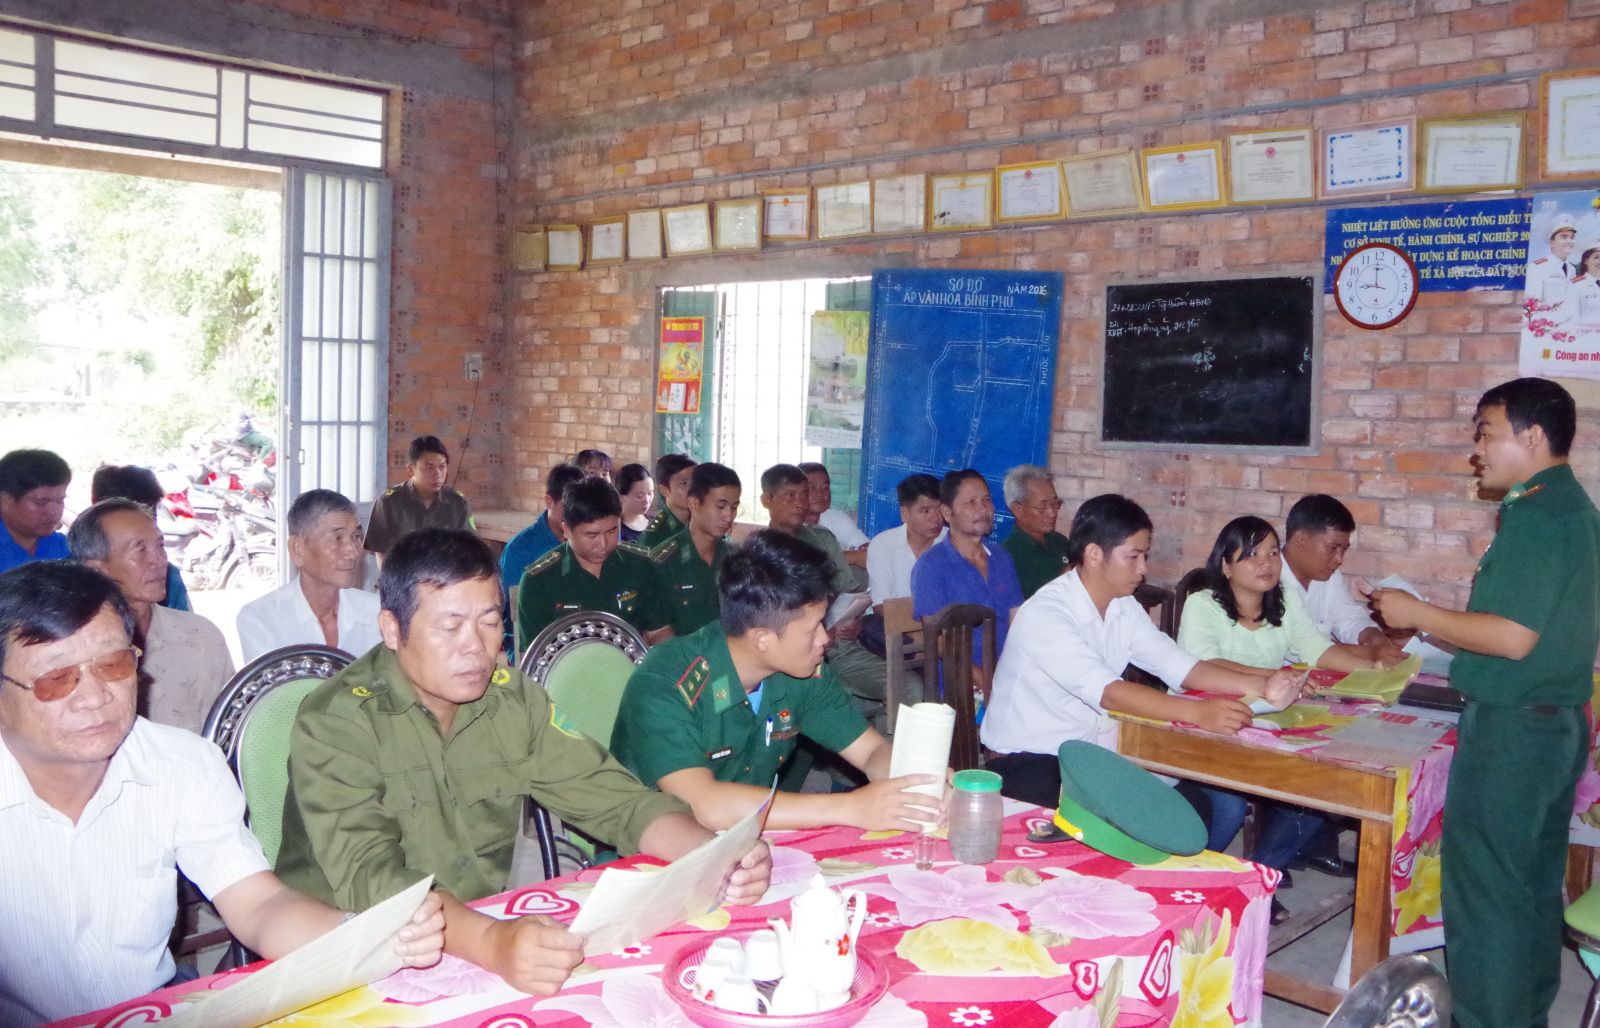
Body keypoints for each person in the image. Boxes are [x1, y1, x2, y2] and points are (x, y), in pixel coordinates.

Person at [276, 529, 770, 997]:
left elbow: (615, 800)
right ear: (392, 628)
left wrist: (715, 856)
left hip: (474, 934)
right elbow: (372, 879)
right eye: (450, 626)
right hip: (346, 955)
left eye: (490, 622)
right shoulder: (337, 722)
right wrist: (491, 942)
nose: (476, 646)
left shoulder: (512, 703)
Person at [0, 560, 444, 1024]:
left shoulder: (180, 765)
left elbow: (258, 904)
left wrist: (363, 934)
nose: (95, 697)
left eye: (113, 665)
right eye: (56, 679)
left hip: (148, 1014)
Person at [1369, 378, 1600, 1028]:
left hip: (1514, 735)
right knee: (1527, 891)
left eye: (1486, 432)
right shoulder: (1573, 510)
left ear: (1532, 436)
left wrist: (1417, 613)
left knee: (1487, 901)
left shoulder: (1538, 517)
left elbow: (1512, 637)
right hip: (1552, 726)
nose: (1477, 449)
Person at [981, 494, 1303, 813]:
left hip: (1090, 751)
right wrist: (1197, 713)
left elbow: (1179, 665)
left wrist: (1262, 686)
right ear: (1094, 554)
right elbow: (1109, 693)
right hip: (1028, 759)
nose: (1143, 568)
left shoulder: (1123, 606)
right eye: (1133, 556)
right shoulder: (1048, 613)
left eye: (1145, 555)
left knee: (1214, 805)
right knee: (1164, 814)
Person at [612, 530, 940, 831]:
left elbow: (871, 751)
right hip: (654, 852)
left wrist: (921, 784)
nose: (825, 639)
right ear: (763, 639)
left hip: (750, 839)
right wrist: (849, 807)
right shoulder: (665, 681)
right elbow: (702, 804)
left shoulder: (803, 673)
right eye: (812, 629)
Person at [1177, 515, 1389, 913]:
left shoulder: (1286, 600)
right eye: (1252, 555)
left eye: (1273, 553)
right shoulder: (1202, 604)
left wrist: (1378, 668)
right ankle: (1197, 882)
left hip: (1269, 721)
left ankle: (1257, 877)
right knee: (1228, 805)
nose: (1266, 564)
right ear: (1226, 564)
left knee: (1328, 778)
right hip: (1210, 723)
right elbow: (1203, 664)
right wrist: (1272, 678)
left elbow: (1317, 650)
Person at [69, 499, 234, 734]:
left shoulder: (201, 636)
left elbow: (228, 730)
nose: (159, 561)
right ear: (97, 569)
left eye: (160, 546)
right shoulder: (72, 649)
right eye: (140, 550)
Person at [762, 464, 905, 712]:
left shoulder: (823, 538)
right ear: (767, 500)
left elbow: (845, 595)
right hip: (786, 652)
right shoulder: (759, 550)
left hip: (839, 647)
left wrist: (850, 623)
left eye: (804, 495)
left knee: (906, 687)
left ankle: (885, 737)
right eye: (790, 496)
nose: (800, 503)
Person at [516, 477, 672, 645]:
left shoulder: (640, 566)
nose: (603, 544)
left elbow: (659, 631)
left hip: (632, 660)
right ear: (566, 530)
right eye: (591, 535)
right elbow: (536, 654)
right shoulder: (539, 581)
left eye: (612, 531)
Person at [236, 489, 382, 661]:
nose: (354, 552)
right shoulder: (261, 619)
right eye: (337, 538)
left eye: (356, 536)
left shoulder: (377, 613)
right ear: (298, 549)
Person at [910, 469, 1024, 685]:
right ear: (947, 513)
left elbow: (1018, 623)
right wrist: (987, 683)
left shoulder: (1002, 558)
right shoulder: (931, 566)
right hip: (959, 687)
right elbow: (939, 642)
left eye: (987, 500)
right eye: (971, 502)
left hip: (1005, 677)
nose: (983, 509)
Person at [1281, 494, 1406, 660]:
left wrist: (1373, 637)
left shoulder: (1327, 574)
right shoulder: (1267, 578)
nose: (1339, 559)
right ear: (1300, 540)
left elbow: (1347, 618)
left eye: (1344, 550)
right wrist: (1370, 653)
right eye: (1332, 548)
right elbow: (1296, 646)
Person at [651, 462, 740, 637]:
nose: (728, 515)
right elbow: (656, 631)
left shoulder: (737, 560)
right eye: (720, 506)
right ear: (694, 503)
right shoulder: (663, 561)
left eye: (734, 507)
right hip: (681, 653)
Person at [89, 463, 191, 612]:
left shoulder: (168, 577)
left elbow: (184, 622)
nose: (157, 562)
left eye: (150, 510)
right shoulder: (70, 578)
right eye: (139, 549)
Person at [364, 435, 472, 562]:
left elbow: (469, 549)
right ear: (411, 470)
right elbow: (381, 555)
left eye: (442, 467)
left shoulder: (458, 503)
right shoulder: (387, 502)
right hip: (402, 573)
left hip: (445, 573)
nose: (437, 474)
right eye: (429, 468)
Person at [499, 462, 584, 593]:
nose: (575, 515)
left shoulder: (589, 540)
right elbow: (512, 601)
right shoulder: (519, 549)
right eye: (567, 506)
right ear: (549, 501)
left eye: (579, 508)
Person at [865, 473, 945, 608]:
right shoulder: (882, 545)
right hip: (891, 620)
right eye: (926, 511)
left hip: (942, 620)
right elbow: (881, 606)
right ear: (905, 514)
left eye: (939, 509)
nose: (936, 518)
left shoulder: (954, 542)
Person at [1000, 463, 1071, 599]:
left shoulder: (1060, 542)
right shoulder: (1007, 557)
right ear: (1017, 509)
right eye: (1042, 506)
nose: (1052, 513)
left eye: (1055, 503)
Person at [0, 448, 71, 574]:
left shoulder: (66, 549)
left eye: (60, 501)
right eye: (41, 503)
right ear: (6, 500)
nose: (54, 511)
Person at [800, 461, 868, 566]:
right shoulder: (789, 526)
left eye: (825, 487)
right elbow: (803, 562)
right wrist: (851, 556)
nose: (820, 494)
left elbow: (867, 551)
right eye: (812, 488)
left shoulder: (837, 518)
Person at [637, 453, 697, 552]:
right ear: (664, 490)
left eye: (696, 481)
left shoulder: (703, 524)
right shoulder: (653, 536)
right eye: (684, 483)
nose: (693, 488)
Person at [1525, 212, 1578, 308]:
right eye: (1564, 237)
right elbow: (1531, 308)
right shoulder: (1537, 268)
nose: (1569, 241)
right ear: (1551, 242)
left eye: (1572, 237)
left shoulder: (1572, 269)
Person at [616, 462, 655, 542]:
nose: (647, 500)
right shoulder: (614, 530)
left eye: (650, 493)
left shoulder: (657, 523)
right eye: (640, 496)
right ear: (621, 497)